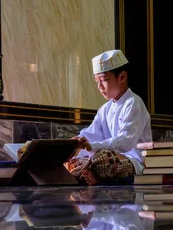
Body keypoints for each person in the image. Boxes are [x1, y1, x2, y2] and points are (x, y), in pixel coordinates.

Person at [65, 50, 152, 185]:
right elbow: (91, 135)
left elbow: (125, 143)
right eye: (97, 81)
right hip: (106, 156)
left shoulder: (134, 103)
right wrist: (77, 144)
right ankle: (95, 176)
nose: (99, 86)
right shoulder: (104, 109)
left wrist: (92, 147)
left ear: (122, 77)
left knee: (102, 158)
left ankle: (95, 176)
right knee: (73, 161)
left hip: (133, 160)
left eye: (104, 80)